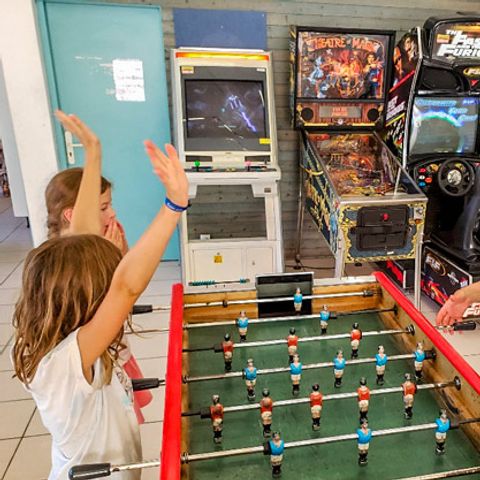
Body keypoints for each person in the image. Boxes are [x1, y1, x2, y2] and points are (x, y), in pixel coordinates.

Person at [12, 139, 189, 479]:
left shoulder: (62, 331)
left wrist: (93, 154)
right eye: (104, 286)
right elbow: (125, 289)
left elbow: (82, 241)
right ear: (84, 299)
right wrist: (174, 205)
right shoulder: (62, 364)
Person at [49, 111, 147, 423]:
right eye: (103, 207)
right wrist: (111, 258)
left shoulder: (106, 237)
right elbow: (112, 295)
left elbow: (129, 275)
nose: (112, 213)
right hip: (92, 369)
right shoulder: (62, 264)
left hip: (115, 352)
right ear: (71, 215)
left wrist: (119, 254)